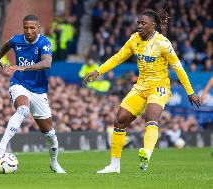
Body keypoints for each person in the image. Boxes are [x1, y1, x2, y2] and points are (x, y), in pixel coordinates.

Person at [84, 9, 201, 173]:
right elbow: (118, 57)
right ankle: (114, 165)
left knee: (151, 116)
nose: (139, 26)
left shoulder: (163, 43)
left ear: (153, 25)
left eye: (143, 23)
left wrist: (190, 91)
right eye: (138, 23)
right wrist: (98, 71)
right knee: (119, 120)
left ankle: (146, 152)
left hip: (159, 86)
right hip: (140, 87)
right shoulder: (134, 40)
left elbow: (178, 68)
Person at [0, 15, 66, 173]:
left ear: (38, 28)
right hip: (19, 84)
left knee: (50, 134)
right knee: (23, 110)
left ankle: (54, 163)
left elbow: (47, 63)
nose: (28, 31)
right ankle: (0, 148)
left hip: (39, 90)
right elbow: (7, 44)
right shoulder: (17, 40)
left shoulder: (44, 42)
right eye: (26, 27)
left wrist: (24, 68)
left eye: (32, 28)